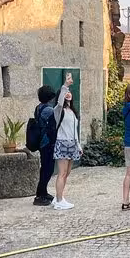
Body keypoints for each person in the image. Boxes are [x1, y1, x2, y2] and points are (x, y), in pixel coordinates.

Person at [52, 73, 82, 210]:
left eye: (69, 92)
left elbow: (75, 130)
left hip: (72, 144)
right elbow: (59, 102)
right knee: (62, 173)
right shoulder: (58, 110)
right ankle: (58, 200)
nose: (68, 94)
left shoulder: (72, 111)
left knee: (67, 172)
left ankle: (60, 196)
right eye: (66, 93)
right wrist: (65, 85)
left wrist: (78, 145)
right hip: (62, 143)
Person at [33, 85, 58, 206]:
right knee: (47, 169)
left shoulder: (39, 108)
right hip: (47, 142)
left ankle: (43, 192)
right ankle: (39, 195)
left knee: (45, 168)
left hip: (42, 142)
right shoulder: (49, 110)